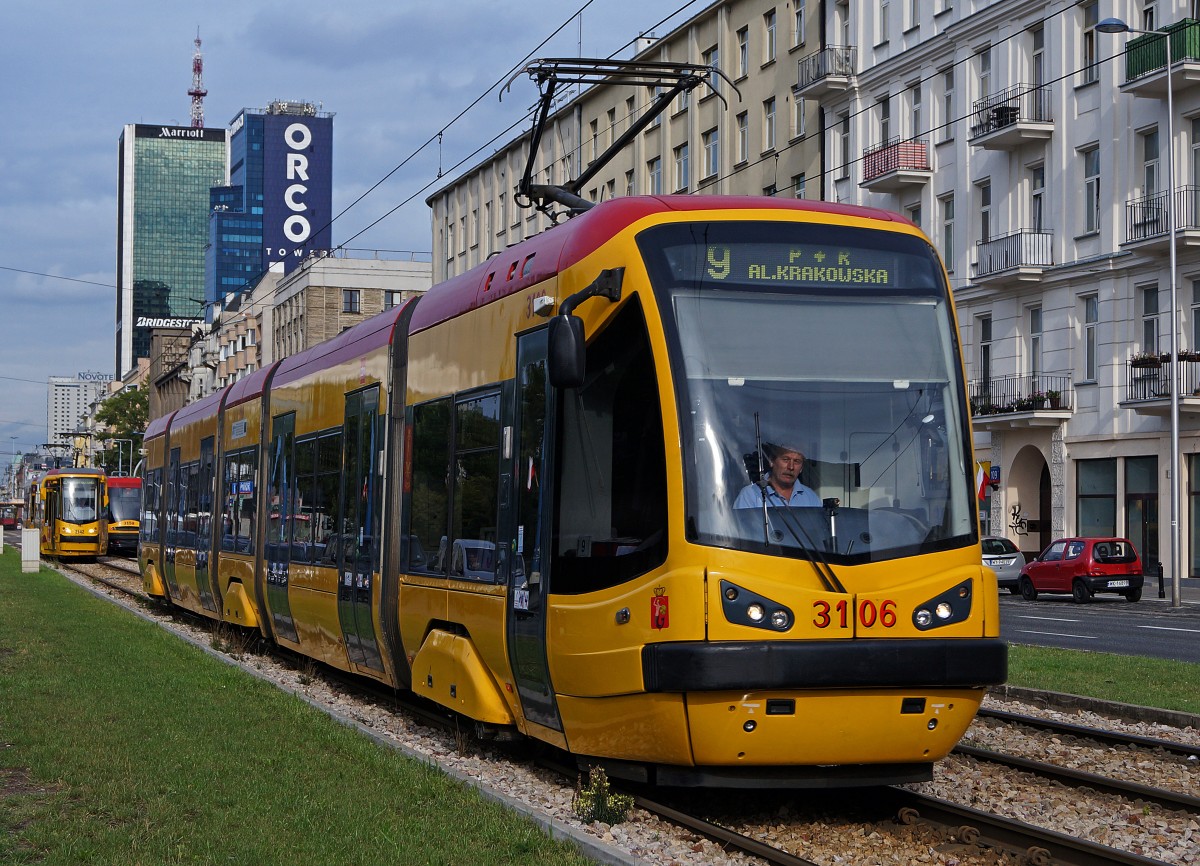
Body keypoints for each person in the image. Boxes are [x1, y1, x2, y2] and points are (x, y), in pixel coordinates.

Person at [734, 441, 820, 509]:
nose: (791, 467)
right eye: (785, 459)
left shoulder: (811, 497)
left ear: (801, 468)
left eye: (796, 461)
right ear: (771, 461)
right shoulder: (750, 495)